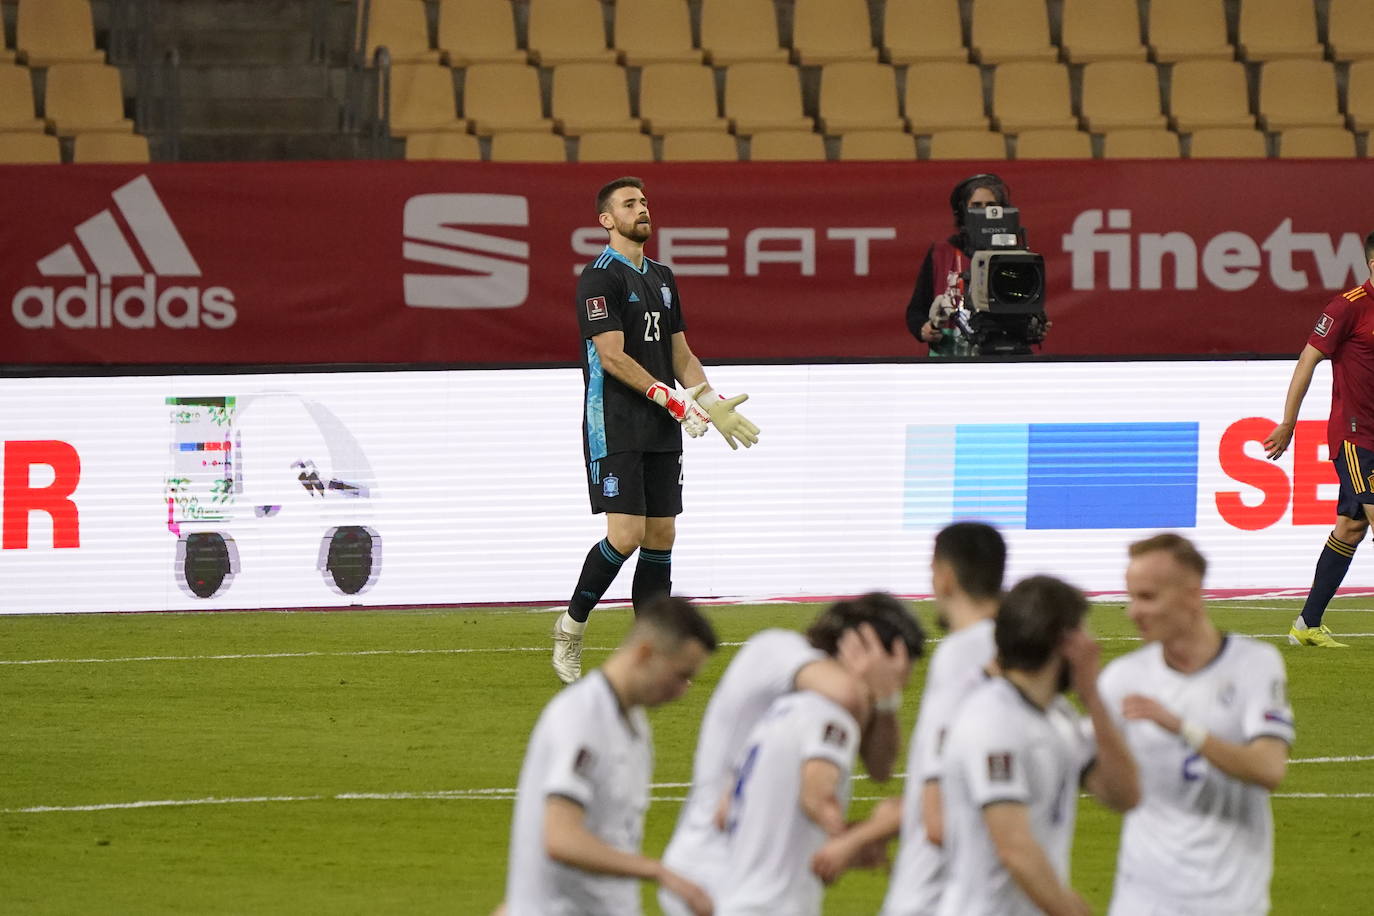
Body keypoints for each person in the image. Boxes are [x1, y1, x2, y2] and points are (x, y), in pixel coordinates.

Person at [552, 177, 760, 683]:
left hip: (660, 422)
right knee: (625, 535)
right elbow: (611, 356)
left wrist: (711, 401)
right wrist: (670, 398)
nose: (642, 209)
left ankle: (652, 649)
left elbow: (680, 354)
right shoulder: (599, 277)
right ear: (606, 220)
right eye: (629, 204)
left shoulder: (663, 276)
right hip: (617, 422)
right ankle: (571, 627)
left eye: (644, 201)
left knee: (662, 533)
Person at [658, 593, 923, 916]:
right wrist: (857, 838)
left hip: (740, 855)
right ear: (861, 647)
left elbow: (880, 767)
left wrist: (884, 701)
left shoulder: (809, 706)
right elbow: (848, 699)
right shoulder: (779, 652)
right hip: (715, 864)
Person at [811, 522, 1006, 915]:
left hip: (937, 893)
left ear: (944, 576)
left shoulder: (962, 656)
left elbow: (939, 810)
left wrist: (861, 836)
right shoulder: (1007, 650)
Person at [1099, 534, 1294, 916]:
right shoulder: (1122, 679)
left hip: (1230, 902)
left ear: (1191, 594)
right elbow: (1105, 789)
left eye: (1148, 597)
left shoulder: (1254, 665)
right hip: (1141, 904)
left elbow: (1269, 769)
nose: (1133, 611)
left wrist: (1181, 727)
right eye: (1131, 596)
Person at [503, 595, 718, 916]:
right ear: (646, 653)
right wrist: (658, 872)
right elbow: (560, 838)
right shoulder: (582, 718)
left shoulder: (633, 723)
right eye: (680, 674)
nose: (683, 690)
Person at [937, 576, 1139, 916]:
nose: (1094, 644)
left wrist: (1092, 696)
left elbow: (1123, 795)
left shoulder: (1058, 715)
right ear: (1063, 642)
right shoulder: (993, 720)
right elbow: (1015, 850)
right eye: (1083, 632)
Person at [1263, 231, 1374, 648]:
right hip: (1355, 435)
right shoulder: (1347, 309)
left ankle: (1306, 624)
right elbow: (1307, 361)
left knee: (1350, 528)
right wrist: (1288, 422)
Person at [905, 173, 1011, 356]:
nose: (983, 212)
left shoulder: (1013, 254)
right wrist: (924, 329)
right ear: (962, 211)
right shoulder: (940, 252)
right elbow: (916, 311)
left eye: (991, 206)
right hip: (948, 360)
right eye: (976, 206)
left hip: (1000, 358)